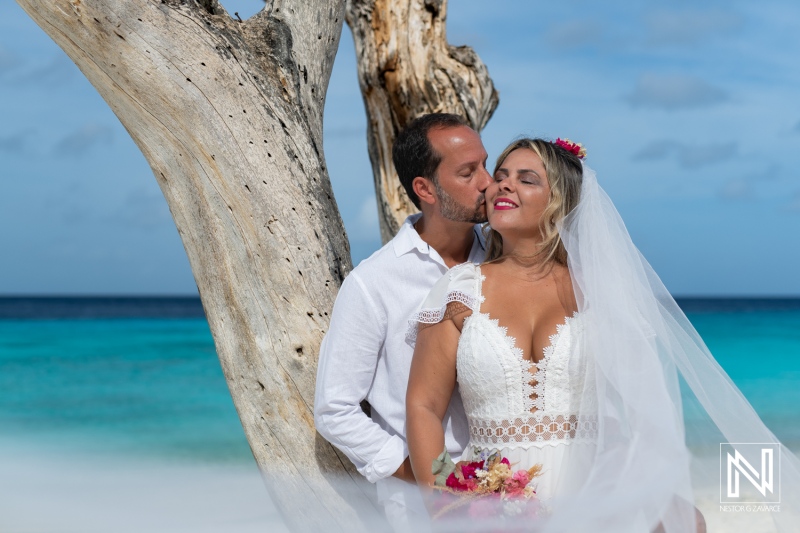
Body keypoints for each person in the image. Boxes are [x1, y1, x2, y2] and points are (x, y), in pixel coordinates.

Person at [406, 138, 800, 532]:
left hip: (594, 494)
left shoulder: (602, 294)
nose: (503, 185)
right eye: (502, 176)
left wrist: (646, 489)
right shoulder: (459, 290)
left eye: (527, 179)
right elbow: (424, 405)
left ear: (560, 203)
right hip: (492, 504)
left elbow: (645, 412)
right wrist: (446, 500)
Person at [314, 113, 492, 531]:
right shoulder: (373, 283)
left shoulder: (505, 259)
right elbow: (335, 408)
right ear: (425, 188)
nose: (487, 181)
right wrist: (423, 475)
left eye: (485, 164)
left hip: (518, 495)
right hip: (421, 512)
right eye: (468, 172)